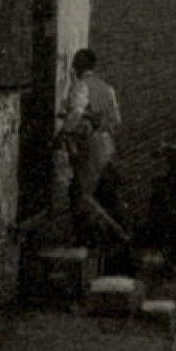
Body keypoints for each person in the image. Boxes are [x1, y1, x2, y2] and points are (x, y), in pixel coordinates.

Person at [59, 48, 131, 257]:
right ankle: (110, 241)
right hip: (108, 143)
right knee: (102, 190)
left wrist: (66, 129)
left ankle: (92, 243)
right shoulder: (107, 88)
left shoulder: (81, 86)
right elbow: (116, 120)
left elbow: (75, 115)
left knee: (82, 193)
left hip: (91, 144)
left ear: (77, 67)